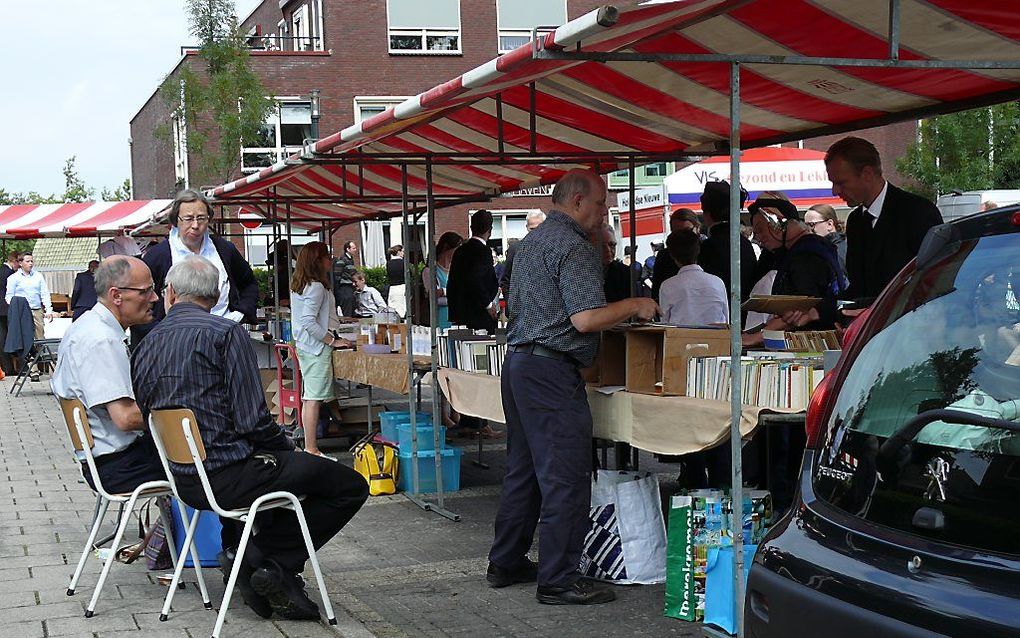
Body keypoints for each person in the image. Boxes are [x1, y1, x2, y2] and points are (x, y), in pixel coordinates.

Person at [132, 255, 368, 621]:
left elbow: (146, 412)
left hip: (183, 478)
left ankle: (259, 563)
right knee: (349, 485)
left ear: (171, 294)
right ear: (217, 295)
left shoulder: (146, 343)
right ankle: (261, 559)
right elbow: (253, 421)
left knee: (274, 472)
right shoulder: (225, 333)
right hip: (228, 476)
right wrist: (287, 448)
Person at [488, 169, 658, 606]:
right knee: (565, 476)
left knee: (523, 471)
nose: (605, 213)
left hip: (521, 364)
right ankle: (559, 579)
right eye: (602, 204)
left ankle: (505, 562)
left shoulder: (528, 244)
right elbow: (583, 318)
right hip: (550, 372)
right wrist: (635, 304)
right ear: (580, 201)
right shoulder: (574, 246)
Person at [51, 256, 164, 493]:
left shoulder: (89, 327)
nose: (155, 298)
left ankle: (173, 527)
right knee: (216, 462)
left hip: (110, 459)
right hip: (119, 465)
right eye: (146, 291)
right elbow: (125, 418)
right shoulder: (101, 340)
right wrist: (189, 416)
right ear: (116, 296)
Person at [824, 136, 942, 304]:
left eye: (841, 183)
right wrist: (819, 311)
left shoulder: (918, 212)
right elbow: (858, 288)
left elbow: (932, 283)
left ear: (867, 174)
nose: (835, 191)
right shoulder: (856, 221)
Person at [134, 189, 259, 343]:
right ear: (175, 220)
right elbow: (139, 301)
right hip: (175, 342)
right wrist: (160, 333)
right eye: (188, 218)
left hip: (224, 336)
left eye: (201, 218)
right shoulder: (158, 256)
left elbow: (249, 283)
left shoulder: (224, 250)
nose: (195, 225)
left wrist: (241, 313)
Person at [743, 192, 845, 345]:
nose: (758, 237)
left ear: (776, 224)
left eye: (760, 229)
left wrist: (756, 337)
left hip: (810, 344)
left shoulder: (806, 256)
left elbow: (799, 311)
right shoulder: (809, 249)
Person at [291, 242, 352, 457]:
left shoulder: (301, 284)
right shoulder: (316, 286)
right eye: (327, 256)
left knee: (310, 397)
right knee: (314, 398)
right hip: (316, 348)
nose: (330, 259)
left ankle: (311, 447)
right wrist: (331, 340)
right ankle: (312, 448)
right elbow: (309, 321)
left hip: (306, 346)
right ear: (317, 261)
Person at [697, 181, 758, 308]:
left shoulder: (709, 246)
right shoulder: (745, 243)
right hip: (746, 312)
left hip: (720, 314)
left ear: (707, 214)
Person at [659, 229, 728, 327]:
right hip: (716, 339)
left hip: (680, 339)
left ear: (671, 254)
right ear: (698, 250)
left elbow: (665, 323)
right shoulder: (717, 282)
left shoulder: (667, 286)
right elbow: (726, 319)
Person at [447, 209, 500, 334]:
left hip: (460, 312)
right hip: (478, 313)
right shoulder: (483, 251)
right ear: (490, 230)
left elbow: (452, 282)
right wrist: (488, 305)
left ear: (471, 227)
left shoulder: (460, 251)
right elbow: (477, 279)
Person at [651, 208, 701, 300]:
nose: (683, 237)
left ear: (697, 228)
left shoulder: (706, 250)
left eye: (687, 231)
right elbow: (656, 291)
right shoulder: (664, 256)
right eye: (677, 233)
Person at [5, 252, 53, 341]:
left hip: (36, 309)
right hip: (21, 311)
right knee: (24, 337)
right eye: (27, 261)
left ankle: (39, 353)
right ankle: (26, 354)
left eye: (32, 261)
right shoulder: (13, 278)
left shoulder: (38, 276)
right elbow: (9, 296)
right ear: (20, 263)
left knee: (40, 335)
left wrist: (49, 309)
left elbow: (44, 293)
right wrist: (15, 307)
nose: (30, 263)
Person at [421, 231, 463, 330]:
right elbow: (433, 296)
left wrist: (443, 292)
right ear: (447, 248)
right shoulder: (430, 271)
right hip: (440, 321)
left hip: (459, 321)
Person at [499, 211, 545, 299]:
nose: (535, 233)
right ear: (527, 228)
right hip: (522, 308)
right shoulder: (515, 249)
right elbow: (506, 280)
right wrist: (511, 305)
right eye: (532, 229)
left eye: (539, 228)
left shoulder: (554, 248)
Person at [804, 203, 847, 276]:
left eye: (812, 225)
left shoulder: (835, 252)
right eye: (805, 225)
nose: (808, 230)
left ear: (830, 224)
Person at [596, 225, 632, 303]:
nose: (608, 250)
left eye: (612, 245)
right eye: (602, 246)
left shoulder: (625, 272)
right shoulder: (581, 272)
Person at [0, 251, 21, 375]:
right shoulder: (9, 274)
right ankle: (11, 368)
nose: (19, 265)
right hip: (7, 309)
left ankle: (7, 367)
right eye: (18, 261)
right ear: (13, 261)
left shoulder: (1, 270)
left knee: (2, 338)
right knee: (10, 339)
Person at [332, 240, 358, 317]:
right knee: (348, 312)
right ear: (348, 249)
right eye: (354, 248)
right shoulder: (342, 260)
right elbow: (337, 276)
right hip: (345, 290)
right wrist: (338, 292)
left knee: (351, 311)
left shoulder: (350, 259)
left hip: (350, 288)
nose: (355, 250)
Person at [385, 245, 406, 319]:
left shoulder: (388, 263)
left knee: (393, 308)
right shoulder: (403, 263)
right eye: (402, 251)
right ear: (398, 252)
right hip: (401, 288)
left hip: (392, 288)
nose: (403, 253)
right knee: (402, 308)